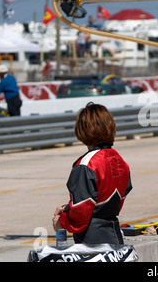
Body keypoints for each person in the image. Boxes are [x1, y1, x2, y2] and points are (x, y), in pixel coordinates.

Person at [52, 102, 133, 245]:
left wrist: (61, 221)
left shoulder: (86, 164)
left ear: (82, 130)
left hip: (91, 242)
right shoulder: (120, 161)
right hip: (114, 237)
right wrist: (68, 207)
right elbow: (106, 202)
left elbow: (81, 213)